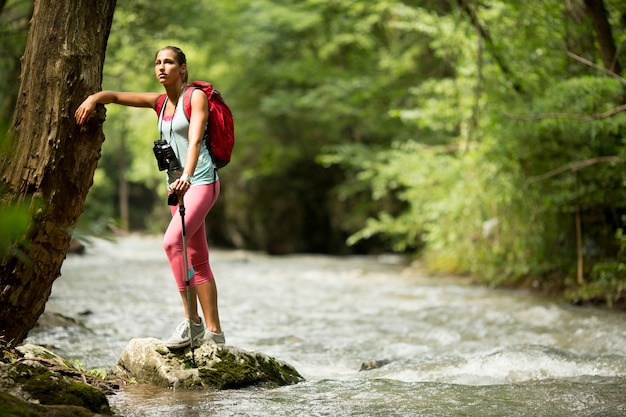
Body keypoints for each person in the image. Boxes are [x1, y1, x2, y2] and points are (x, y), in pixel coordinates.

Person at [75, 46, 225, 348]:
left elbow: (195, 139)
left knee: (172, 243)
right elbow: (117, 97)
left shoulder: (194, 96)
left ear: (182, 68)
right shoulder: (160, 103)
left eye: (168, 62)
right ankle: (215, 333)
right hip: (176, 188)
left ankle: (192, 323)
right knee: (197, 257)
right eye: (157, 62)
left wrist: (187, 175)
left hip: (200, 182)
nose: (161, 67)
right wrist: (94, 98)